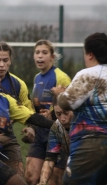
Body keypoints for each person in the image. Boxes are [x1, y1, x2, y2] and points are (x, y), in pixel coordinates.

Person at [51, 32, 107, 185]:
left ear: (90, 54)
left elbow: (67, 103)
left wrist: (59, 94)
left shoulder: (88, 75)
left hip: (92, 143)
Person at [25, 39, 71, 185]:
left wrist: (51, 114)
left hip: (57, 131)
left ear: (52, 57)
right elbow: (34, 107)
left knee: (54, 180)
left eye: (44, 53)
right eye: (37, 52)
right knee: (30, 177)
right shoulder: (37, 78)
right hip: (40, 132)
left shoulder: (61, 77)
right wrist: (31, 126)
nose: (40, 56)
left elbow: (68, 106)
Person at [0, 42, 35, 177]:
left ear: (10, 61)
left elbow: (29, 110)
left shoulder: (18, 84)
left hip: (6, 136)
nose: (1, 65)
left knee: (17, 175)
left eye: (5, 60)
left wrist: (30, 127)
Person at [37, 96, 73, 185]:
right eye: (58, 114)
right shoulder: (57, 127)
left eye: (66, 113)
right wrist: (42, 182)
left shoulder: (88, 124)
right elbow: (50, 158)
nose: (63, 119)